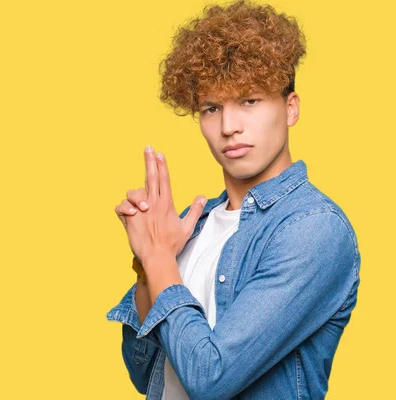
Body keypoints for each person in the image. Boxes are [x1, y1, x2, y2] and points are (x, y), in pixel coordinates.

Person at [105, 0, 361, 399]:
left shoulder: (314, 229)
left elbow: (211, 378)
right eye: (211, 108)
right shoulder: (197, 227)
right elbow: (146, 372)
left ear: (290, 108)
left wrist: (158, 260)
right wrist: (147, 266)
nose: (229, 127)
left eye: (249, 101)